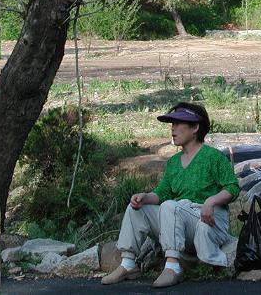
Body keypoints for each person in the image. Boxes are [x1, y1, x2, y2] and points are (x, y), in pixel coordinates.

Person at [101, 102, 238, 288]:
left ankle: (173, 267)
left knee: (170, 206)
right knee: (136, 209)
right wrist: (144, 197)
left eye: (178, 123)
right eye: (171, 124)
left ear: (195, 127)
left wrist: (211, 201)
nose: (172, 128)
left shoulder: (213, 157)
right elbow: (162, 193)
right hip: (177, 221)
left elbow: (232, 188)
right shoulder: (173, 162)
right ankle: (127, 264)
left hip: (205, 221)